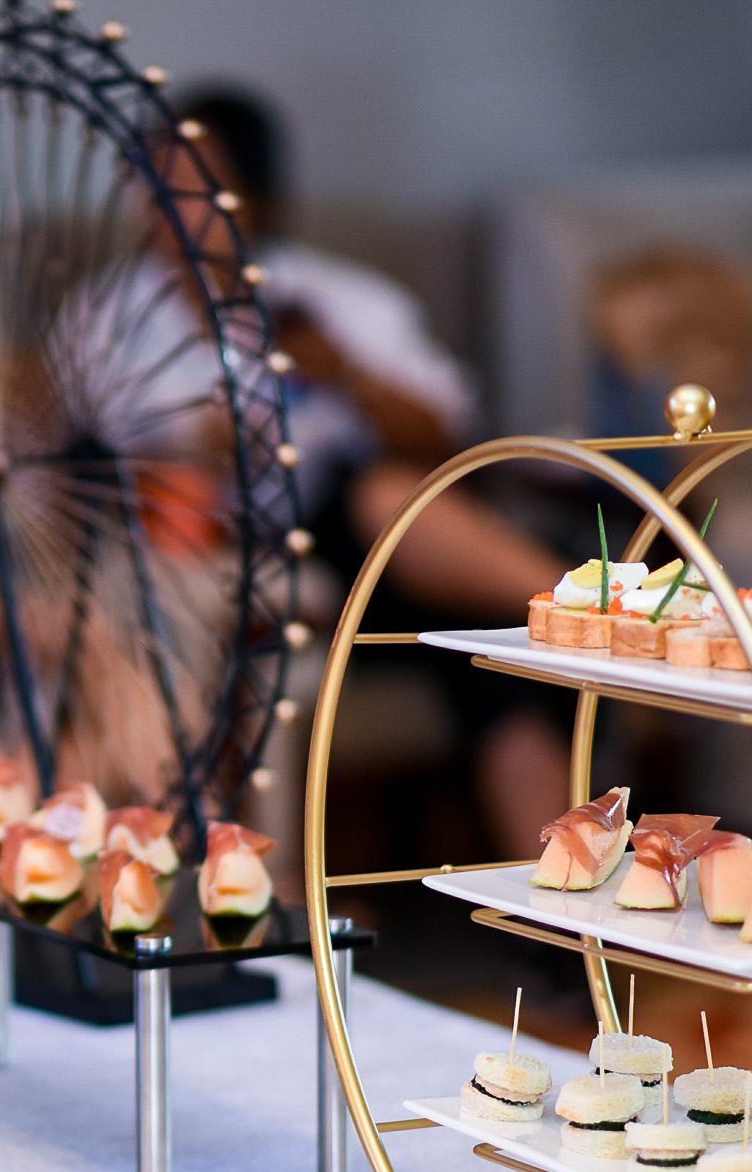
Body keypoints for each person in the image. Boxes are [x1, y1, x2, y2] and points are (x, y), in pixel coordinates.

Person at [172, 85, 572, 848]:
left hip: (385, 533)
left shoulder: (336, 297)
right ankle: (602, 614)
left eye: (195, 181)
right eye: (155, 179)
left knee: (487, 643)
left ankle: (566, 905)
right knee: (480, 625)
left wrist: (344, 374)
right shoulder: (112, 320)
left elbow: (450, 433)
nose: (169, 206)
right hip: (255, 544)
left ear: (255, 195)